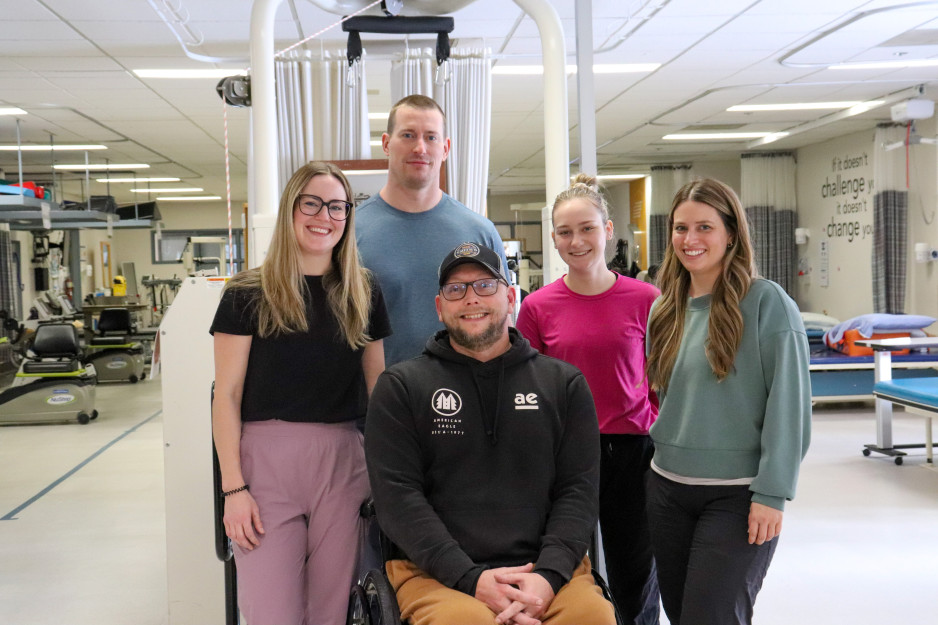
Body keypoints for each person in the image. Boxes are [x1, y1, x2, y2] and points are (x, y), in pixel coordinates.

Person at [365, 242, 615, 625]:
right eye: (455, 289)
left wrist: (546, 579)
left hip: (546, 572)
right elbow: (398, 500)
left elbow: (578, 493)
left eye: (485, 285)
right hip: (435, 574)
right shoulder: (401, 387)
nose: (470, 299)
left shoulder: (563, 384)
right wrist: (471, 579)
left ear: (511, 297)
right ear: (439, 307)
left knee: (593, 617)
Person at [210, 162, 391, 625]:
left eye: (337, 206)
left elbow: (379, 390)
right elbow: (226, 396)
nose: (323, 216)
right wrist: (233, 489)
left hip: (342, 462)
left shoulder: (363, 292)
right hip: (265, 465)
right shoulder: (248, 292)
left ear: (348, 216)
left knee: (332, 609)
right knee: (271, 610)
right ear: (291, 208)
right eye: (311, 203)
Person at [644, 178, 811, 625]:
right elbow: (667, 398)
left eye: (704, 227)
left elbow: (789, 405)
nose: (690, 240)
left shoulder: (766, 303)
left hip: (737, 496)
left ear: (732, 233)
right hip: (667, 491)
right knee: (680, 616)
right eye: (680, 228)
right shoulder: (664, 309)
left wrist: (772, 493)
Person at [516, 174, 661, 624]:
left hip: (631, 451)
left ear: (608, 230)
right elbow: (526, 387)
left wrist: (650, 418)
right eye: (564, 232)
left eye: (587, 228)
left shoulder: (647, 299)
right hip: (563, 454)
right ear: (554, 238)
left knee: (633, 573)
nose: (576, 241)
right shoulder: (537, 307)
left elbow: (664, 375)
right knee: (565, 569)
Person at [356, 94, 507, 366]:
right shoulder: (351, 232)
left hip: (467, 395)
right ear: (386, 144)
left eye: (431, 137)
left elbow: (502, 323)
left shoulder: (480, 231)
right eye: (408, 135)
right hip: (380, 401)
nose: (420, 148)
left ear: (446, 148)